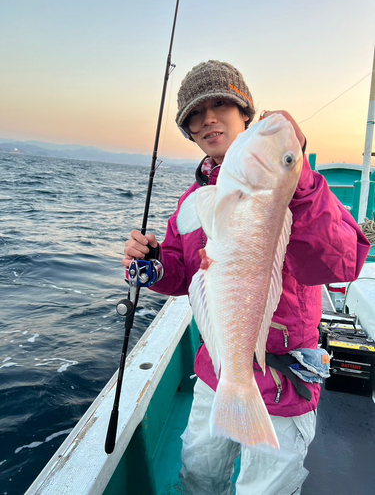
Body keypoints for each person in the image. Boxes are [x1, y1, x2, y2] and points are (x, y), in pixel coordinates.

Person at [123, 60, 370, 495]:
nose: (208, 119)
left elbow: (342, 263)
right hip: (219, 370)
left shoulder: (299, 192)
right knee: (199, 474)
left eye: (221, 105)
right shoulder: (196, 199)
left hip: (283, 382)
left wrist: (297, 178)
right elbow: (185, 271)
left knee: (266, 488)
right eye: (195, 115)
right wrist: (155, 266)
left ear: (245, 114)